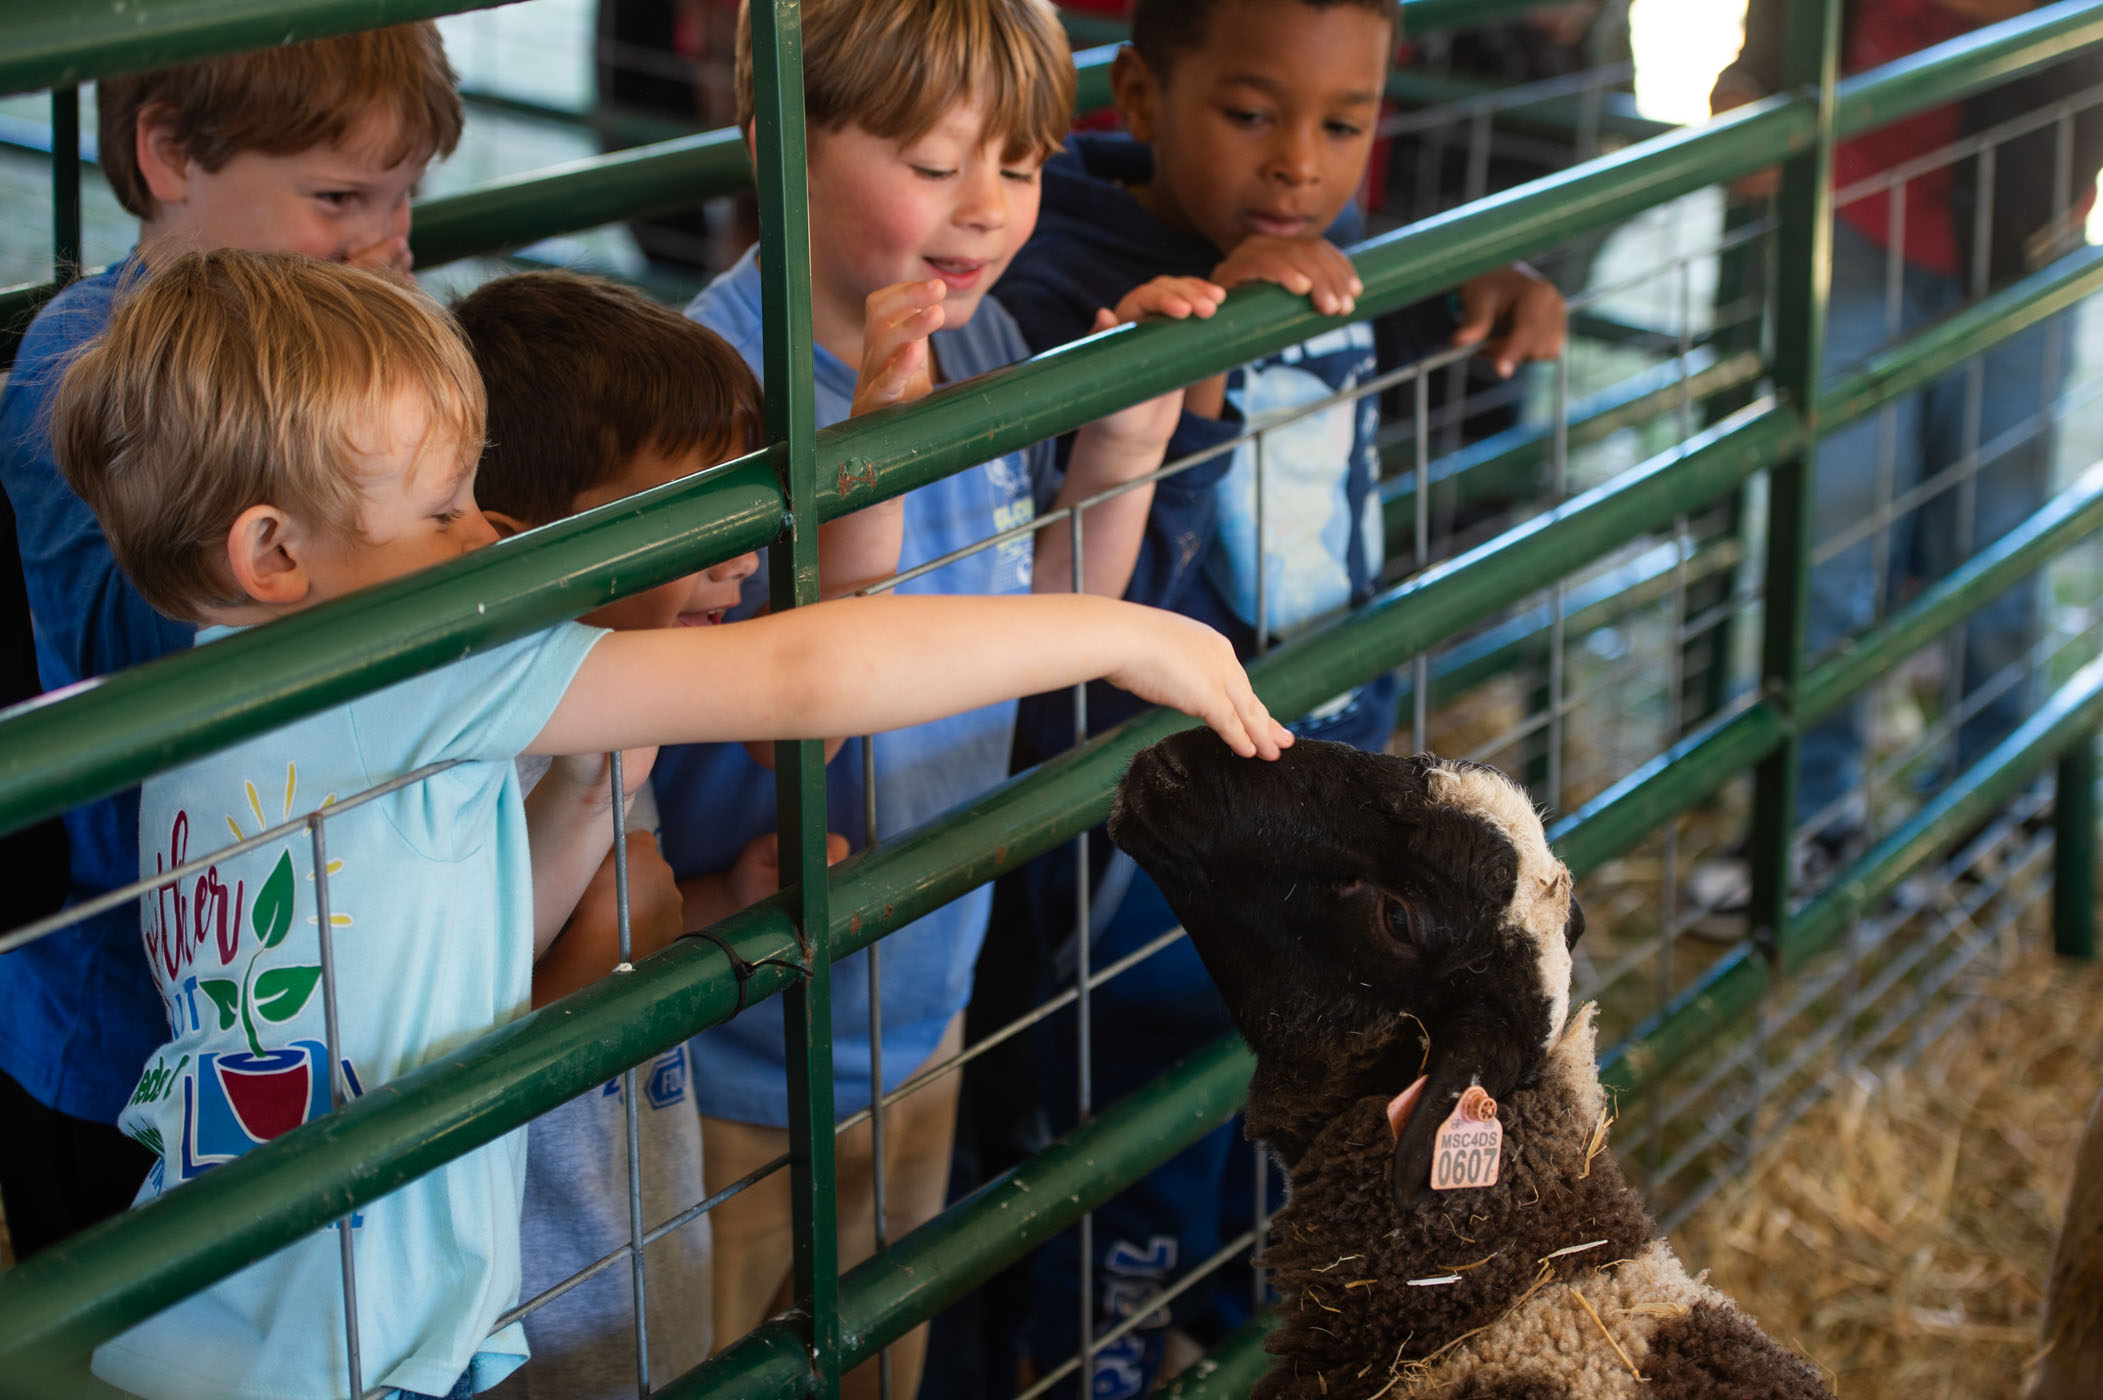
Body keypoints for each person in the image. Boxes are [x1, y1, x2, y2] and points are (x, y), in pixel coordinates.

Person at [55, 249, 1284, 1400]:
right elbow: (804, 676)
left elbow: (448, 932)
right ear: (276, 552)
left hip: (250, 1311)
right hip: (339, 1339)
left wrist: (598, 774)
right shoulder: (392, 675)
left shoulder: (200, 714)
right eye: (441, 512)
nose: (491, 535)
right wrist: (1127, 633)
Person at [987, 0, 1567, 1390]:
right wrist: (1226, 307)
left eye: (1342, 124)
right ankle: (1098, 1352)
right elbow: (1048, 495)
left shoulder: (1331, 248)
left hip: (1313, 755)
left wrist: (1488, 280)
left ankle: (1230, 1316)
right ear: (1136, 93)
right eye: (1250, 115)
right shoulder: (1064, 266)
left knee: (1284, 1068)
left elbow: (1370, 298)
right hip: (1146, 796)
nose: (1299, 163)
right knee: (1122, 1090)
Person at [657, 3, 1201, 1393]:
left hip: (916, 1000)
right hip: (722, 1039)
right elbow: (767, 696)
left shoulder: (984, 349)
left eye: (1016, 168)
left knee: (878, 1351)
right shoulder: (700, 404)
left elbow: (1025, 629)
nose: (981, 213)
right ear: (781, 146)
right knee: (707, 1356)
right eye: (930, 162)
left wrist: (1121, 441)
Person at [0, 22, 462, 1260]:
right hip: (119, 1009)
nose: (387, 235)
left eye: (403, 196)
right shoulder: (84, 367)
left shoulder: (357, 361)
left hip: (319, 966)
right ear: (167, 155)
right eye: (335, 197)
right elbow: (124, 665)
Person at [1690, 0, 2103, 922]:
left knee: (1996, 537)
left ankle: (1993, 793)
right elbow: (1762, 54)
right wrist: (1750, 100)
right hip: (1858, 214)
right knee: (1829, 533)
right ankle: (1807, 813)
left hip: (2023, 234)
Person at [456, 270, 777, 1398]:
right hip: (523, 1299)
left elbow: (634, 908)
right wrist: (607, 951)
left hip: (635, 1232)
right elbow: (469, 1025)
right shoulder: (485, 749)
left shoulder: (623, 707)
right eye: (695, 514)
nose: (742, 553)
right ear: (533, 532)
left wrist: (727, 894)